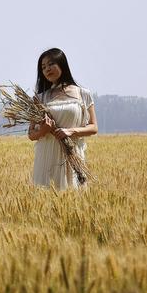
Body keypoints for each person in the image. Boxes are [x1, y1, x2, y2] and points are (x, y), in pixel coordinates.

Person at [27, 48, 98, 190]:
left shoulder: (83, 94)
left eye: (51, 64)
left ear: (62, 64)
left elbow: (93, 127)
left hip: (72, 154)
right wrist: (43, 130)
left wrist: (71, 131)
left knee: (74, 197)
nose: (47, 69)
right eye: (43, 67)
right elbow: (31, 135)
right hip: (46, 156)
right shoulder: (40, 99)